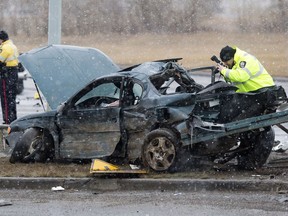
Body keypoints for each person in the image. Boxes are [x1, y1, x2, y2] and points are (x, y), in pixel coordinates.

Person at [0, 30, 19, 124]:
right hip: (14, 73)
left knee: (5, 98)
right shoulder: (13, 46)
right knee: (11, 98)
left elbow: (0, 60)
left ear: (1, 39)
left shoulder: (5, 48)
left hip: (6, 74)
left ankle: (7, 119)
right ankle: (13, 118)